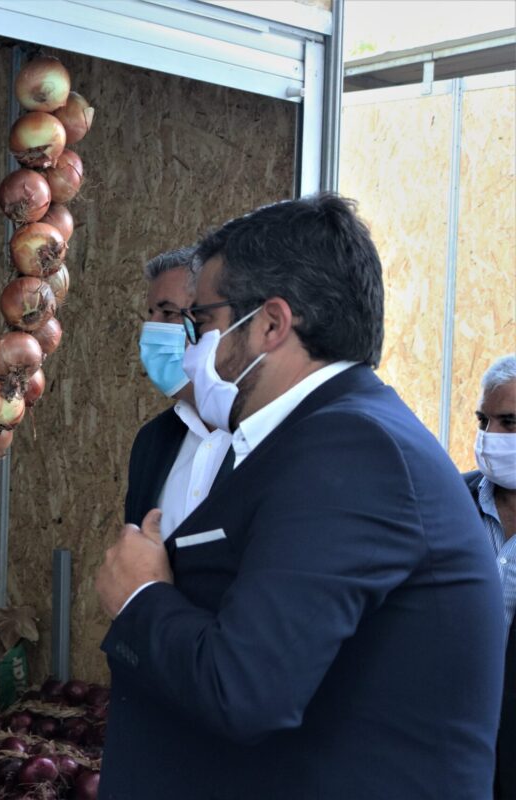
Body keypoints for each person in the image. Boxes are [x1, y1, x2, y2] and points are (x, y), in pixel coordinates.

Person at [93, 194, 502, 799]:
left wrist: (143, 597)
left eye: (202, 321)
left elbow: (246, 688)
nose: (191, 346)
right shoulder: (300, 441)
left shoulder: (355, 451)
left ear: (270, 324)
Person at [126, 246, 233, 535]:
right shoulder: (152, 442)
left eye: (168, 312)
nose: (152, 326)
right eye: (151, 312)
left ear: (212, 320)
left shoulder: (262, 435)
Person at [464, 354, 516, 799]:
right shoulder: (447, 500)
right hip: (451, 730)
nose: (490, 436)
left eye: (509, 422)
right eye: (484, 419)